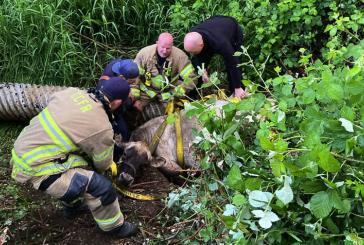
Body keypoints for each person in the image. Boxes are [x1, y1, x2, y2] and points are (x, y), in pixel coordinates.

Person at [10, 77, 137, 238]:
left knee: (80, 165)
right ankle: (114, 227)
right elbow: (102, 164)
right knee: (101, 187)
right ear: (118, 102)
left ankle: (73, 206)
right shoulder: (102, 128)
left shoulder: (71, 93)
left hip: (23, 148)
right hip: (37, 168)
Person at [133, 32, 196, 121]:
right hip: (146, 91)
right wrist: (136, 98)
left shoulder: (180, 57)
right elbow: (134, 76)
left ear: (172, 45)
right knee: (134, 109)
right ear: (157, 43)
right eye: (162, 47)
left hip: (169, 93)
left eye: (168, 48)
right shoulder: (144, 54)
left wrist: (175, 93)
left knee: (168, 118)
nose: (164, 51)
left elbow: (192, 79)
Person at [183, 16, 248, 99]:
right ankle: (192, 96)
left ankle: (237, 92)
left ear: (201, 45)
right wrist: (202, 71)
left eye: (193, 52)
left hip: (231, 29)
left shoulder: (221, 43)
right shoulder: (193, 35)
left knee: (231, 63)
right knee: (196, 63)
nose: (192, 54)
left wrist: (237, 87)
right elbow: (197, 58)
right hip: (213, 25)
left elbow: (234, 63)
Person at [99, 59, 139, 160]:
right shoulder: (106, 84)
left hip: (110, 104)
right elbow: (118, 109)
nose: (134, 83)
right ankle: (116, 158)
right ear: (122, 77)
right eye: (131, 82)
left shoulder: (117, 65)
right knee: (124, 133)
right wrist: (131, 100)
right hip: (107, 112)